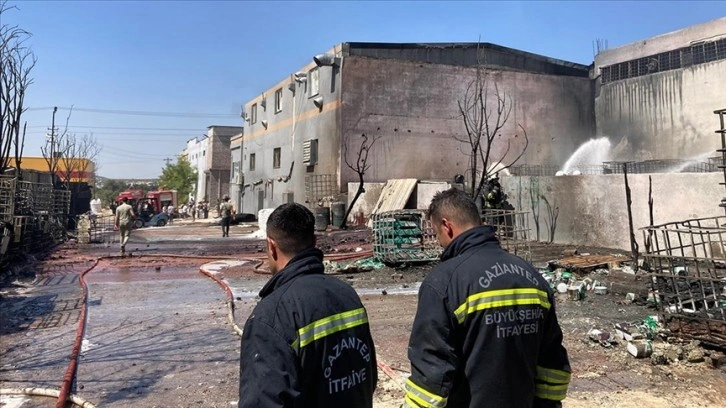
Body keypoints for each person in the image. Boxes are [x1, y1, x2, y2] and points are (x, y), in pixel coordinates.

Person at [404, 188, 570, 408]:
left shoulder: (444, 283)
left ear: (447, 226)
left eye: (436, 234)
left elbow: (431, 375)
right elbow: (553, 364)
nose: (439, 242)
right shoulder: (532, 276)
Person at [239, 203, 377, 407]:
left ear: (271, 246)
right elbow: (368, 376)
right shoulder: (346, 294)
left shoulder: (271, 316)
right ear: (313, 242)